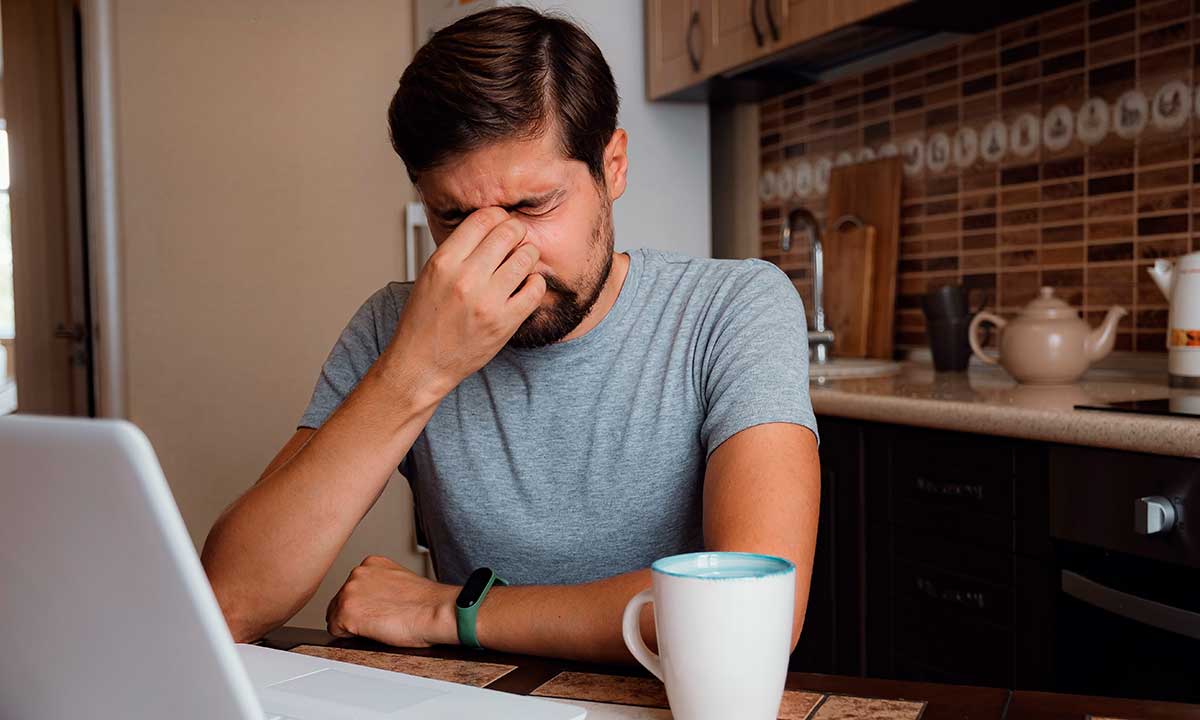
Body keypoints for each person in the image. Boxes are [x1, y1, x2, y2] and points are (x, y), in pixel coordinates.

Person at [201, 6, 820, 665]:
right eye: (453, 216)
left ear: (612, 166)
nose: (500, 254)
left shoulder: (732, 308)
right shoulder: (397, 327)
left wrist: (448, 612)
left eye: (532, 206)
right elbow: (228, 602)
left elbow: (749, 613)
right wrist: (418, 370)